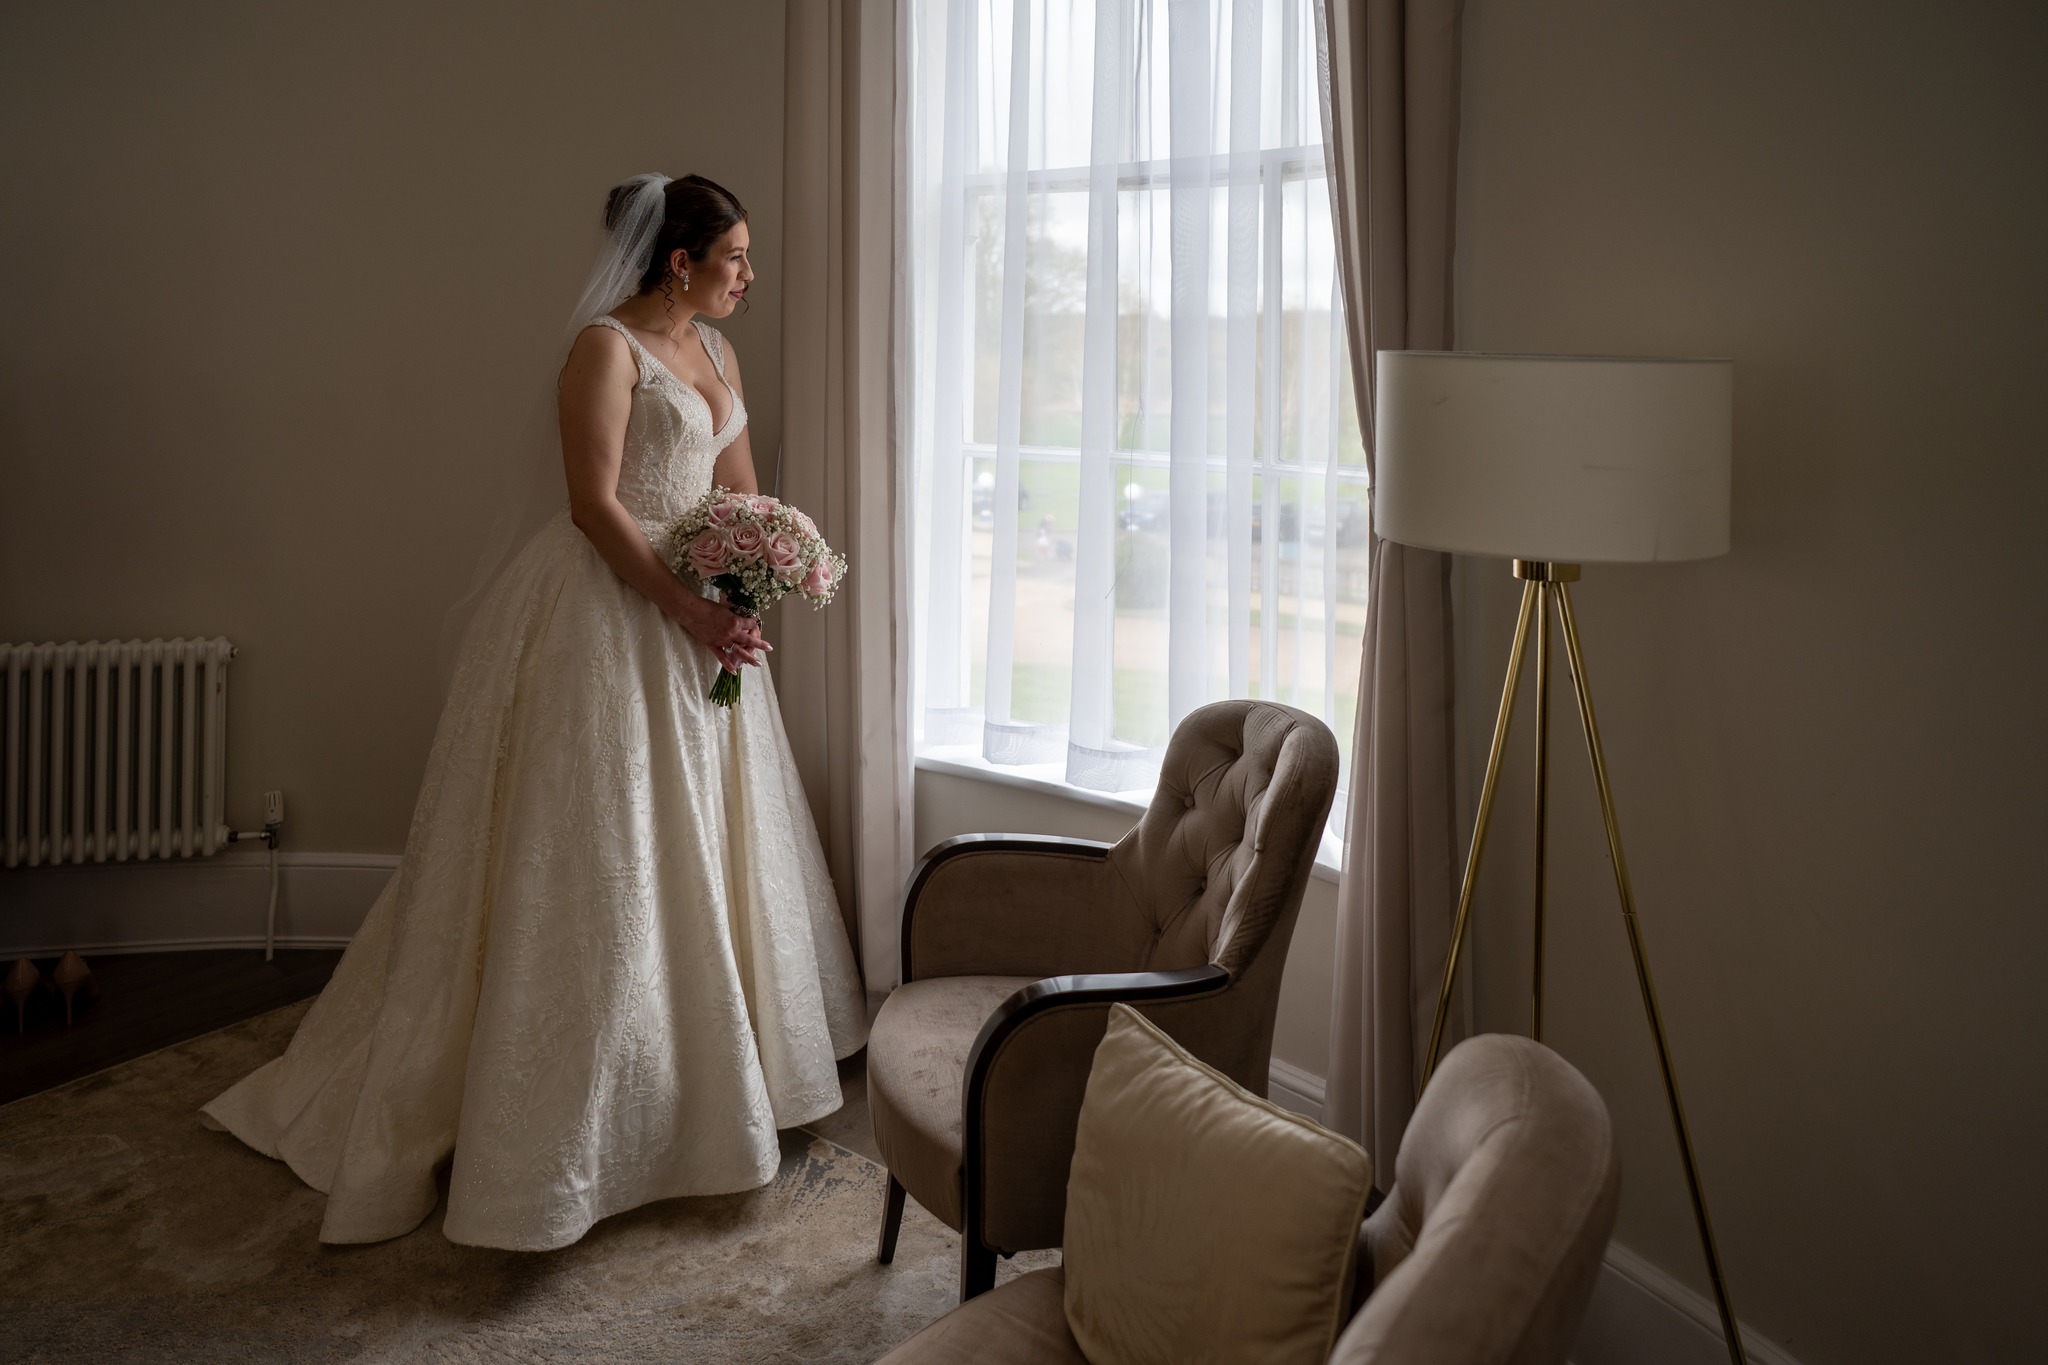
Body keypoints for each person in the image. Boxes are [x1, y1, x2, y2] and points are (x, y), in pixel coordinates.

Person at [201, 174, 867, 1252]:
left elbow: (739, 488)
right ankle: (562, 1121)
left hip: (700, 608)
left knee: (698, 843)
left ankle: (703, 1080)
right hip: (609, 614)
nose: (749, 274)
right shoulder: (605, 349)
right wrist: (689, 609)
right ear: (678, 260)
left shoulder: (720, 353)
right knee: (599, 848)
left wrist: (753, 574)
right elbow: (595, 506)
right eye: (735, 256)